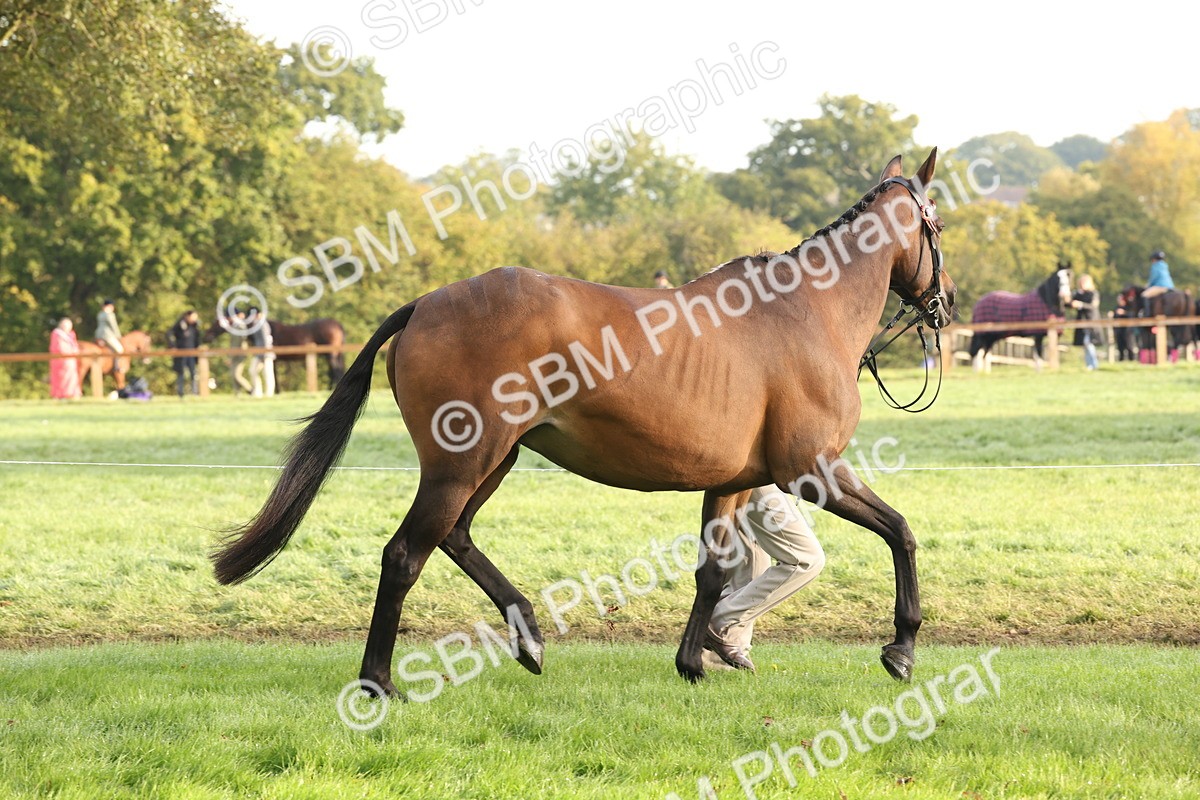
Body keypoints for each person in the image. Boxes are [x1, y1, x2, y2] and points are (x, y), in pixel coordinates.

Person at [703, 486, 825, 672]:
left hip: (740, 472)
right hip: (757, 472)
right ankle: (719, 623)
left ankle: (716, 660)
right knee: (805, 559)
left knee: (752, 560)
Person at [1070, 274, 1101, 371]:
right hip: (1082, 322)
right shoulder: (1078, 294)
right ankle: (1089, 365)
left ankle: (1093, 364)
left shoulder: (1093, 294)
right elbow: (1069, 303)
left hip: (1091, 321)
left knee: (1089, 343)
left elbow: (1093, 306)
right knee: (1085, 344)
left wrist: (1080, 304)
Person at [167, 309, 201, 397]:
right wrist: (172, 346)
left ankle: (195, 392)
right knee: (181, 373)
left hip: (192, 353)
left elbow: (198, 339)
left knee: (193, 373)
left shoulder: (195, 326)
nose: (195, 319)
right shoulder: (179, 325)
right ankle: (180, 393)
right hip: (181, 353)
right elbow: (169, 333)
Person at [48, 318, 82, 399]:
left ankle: (72, 394)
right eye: (65, 325)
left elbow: (75, 346)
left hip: (70, 360)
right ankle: (59, 395)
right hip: (59, 361)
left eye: (69, 326)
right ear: (61, 325)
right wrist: (70, 351)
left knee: (72, 378)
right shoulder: (57, 334)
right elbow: (58, 347)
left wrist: (75, 351)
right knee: (60, 378)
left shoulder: (71, 335)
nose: (67, 327)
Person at [248, 307, 276, 397]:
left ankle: (269, 393)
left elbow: (265, 339)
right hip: (259, 352)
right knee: (252, 371)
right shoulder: (257, 324)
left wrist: (265, 353)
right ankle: (257, 392)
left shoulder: (262, 323)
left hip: (265, 353)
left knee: (268, 373)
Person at [95, 299, 124, 375]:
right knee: (119, 349)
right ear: (110, 306)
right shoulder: (110, 314)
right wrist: (118, 335)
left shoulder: (100, 314)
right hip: (107, 335)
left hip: (98, 335)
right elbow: (113, 326)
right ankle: (116, 366)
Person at [1141, 250, 1174, 316]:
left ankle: (1146, 314)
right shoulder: (1165, 265)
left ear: (1154, 259)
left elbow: (1154, 278)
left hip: (1160, 286)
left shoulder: (1155, 266)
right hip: (1170, 286)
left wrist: (1148, 285)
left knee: (1144, 295)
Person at [1112, 292, 1136, 362]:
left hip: (1128, 330)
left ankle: (1131, 359)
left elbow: (1132, 315)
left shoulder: (1129, 307)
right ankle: (1121, 359)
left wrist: (1124, 312)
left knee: (1129, 345)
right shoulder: (1116, 308)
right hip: (1119, 330)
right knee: (1120, 346)